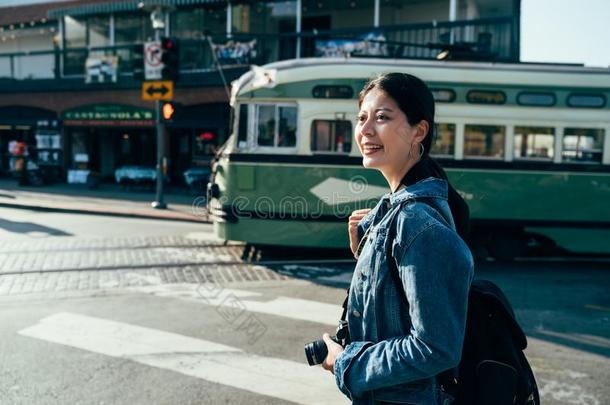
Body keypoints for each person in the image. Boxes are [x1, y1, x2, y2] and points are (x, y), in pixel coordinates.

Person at [320, 72, 474, 405]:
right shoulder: (396, 213)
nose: (365, 130)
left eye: (382, 118)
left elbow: (435, 347)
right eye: (362, 118)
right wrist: (366, 256)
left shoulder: (416, 223)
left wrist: (345, 362)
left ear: (419, 131)